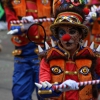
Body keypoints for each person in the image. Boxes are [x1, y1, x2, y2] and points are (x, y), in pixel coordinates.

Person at [35, 0, 100, 100]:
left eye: (72, 32)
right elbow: (42, 91)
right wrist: (59, 88)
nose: (66, 37)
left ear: (81, 35)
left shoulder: (92, 56)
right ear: (57, 36)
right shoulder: (48, 58)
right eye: (62, 32)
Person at [2, 0, 57, 100]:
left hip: (45, 54)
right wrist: (24, 27)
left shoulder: (51, 1)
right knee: (19, 94)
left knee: (46, 94)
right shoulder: (11, 2)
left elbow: (60, 19)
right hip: (23, 56)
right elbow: (11, 26)